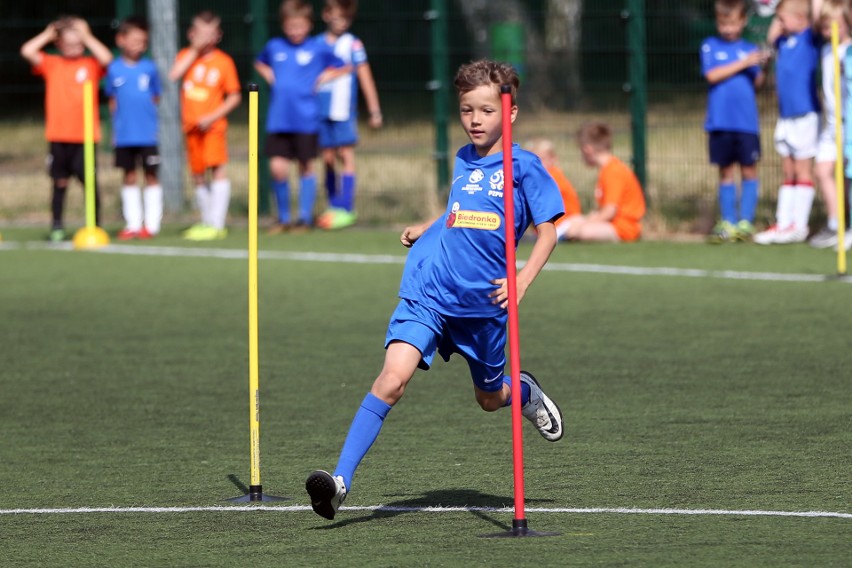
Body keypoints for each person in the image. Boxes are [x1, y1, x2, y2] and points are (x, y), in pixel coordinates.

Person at [304, 60, 565, 521]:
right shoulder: (464, 159)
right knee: (391, 380)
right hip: (430, 290)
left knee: (489, 400)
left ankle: (522, 394)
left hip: (484, 305)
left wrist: (522, 279)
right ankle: (340, 482)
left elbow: (548, 232)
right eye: (467, 110)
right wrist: (426, 228)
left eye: (486, 110)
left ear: (511, 112)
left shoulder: (525, 167)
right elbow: (459, 212)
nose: (476, 120)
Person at [255, 0, 347, 234]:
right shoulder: (275, 46)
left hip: (306, 118)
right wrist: (271, 77)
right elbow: (260, 62)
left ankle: (304, 219)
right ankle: (283, 218)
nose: (295, 31)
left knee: (306, 166)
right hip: (279, 119)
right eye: (290, 26)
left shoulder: (317, 48)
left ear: (308, 24)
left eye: (300, 26)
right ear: (283, 25)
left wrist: (322, 79)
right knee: (277, 168)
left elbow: (344, 66)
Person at [20, 16, 113, 242]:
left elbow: (107, 58)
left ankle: (95, 225)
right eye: (69, 43)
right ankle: (57, 226)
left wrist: (86, 36)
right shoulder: (52, 64)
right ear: (59, 44)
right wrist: (49, 33)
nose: (75, 48)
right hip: (58, 135)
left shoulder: (90, 65)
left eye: (79, 43)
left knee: (89, 182)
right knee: (59, 181)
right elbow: (27, 50)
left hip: (85, 137)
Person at [168, 10, 241, 241]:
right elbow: (174, 74)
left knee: (217, 168)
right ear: (191, 34)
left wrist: (212, 116)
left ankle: (217, 224)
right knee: (198, 174)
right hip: (190, 127)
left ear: (218, 35)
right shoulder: (186, 56)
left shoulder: (224, 62)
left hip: (213, 127)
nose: (206, 38)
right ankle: (206, 220)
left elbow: (234, 96)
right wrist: (195, 48)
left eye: (210, 34)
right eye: (201, 33)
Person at [754, 0, 821, 245]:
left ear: (801, 19)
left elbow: (815, 14)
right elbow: (772, 38)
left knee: (803, 170)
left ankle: (799, 224)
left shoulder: (809, 38)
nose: (778, 25)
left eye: (783, 20)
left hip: (805, 114)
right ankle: (783, 223)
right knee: (788, 170)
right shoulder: (783, 41)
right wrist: (778, 15)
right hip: (786, 116)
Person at [701, 0, 768, 244]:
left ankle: (745, 222)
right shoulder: (710, 46)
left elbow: (758, 83)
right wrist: (744, 63)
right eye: (722, 23)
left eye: (732, 23)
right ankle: (728, 221)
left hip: (746, 123)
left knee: (749, 170)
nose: (727, 29)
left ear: (743, 22)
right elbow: (712, 75)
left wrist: (763, 65)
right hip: (720, 122)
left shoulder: (749, 48)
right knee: (726, 171)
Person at [314, 0, 383, 231]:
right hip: (319, 110)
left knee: (345, 154)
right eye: (336, 17)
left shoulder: (353, 44)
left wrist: (374, 110)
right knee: (327, 158)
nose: (341, 23)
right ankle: (333, 205)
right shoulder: (315, 44)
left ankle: (346, 207)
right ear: (326, 15)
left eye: (345, 19)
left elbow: (365, 76)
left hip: (343, 110)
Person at [106, 17, 163, 240]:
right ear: (121, 40)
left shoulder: (150, 68)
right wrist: (115, 130)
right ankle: (132, 224)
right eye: (135, 40)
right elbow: (112, 101)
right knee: (128, 176)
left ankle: (152, 225)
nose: (139, 45)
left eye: (143, 41)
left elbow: (156, 97)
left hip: (147, 134)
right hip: (124, 135)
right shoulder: (114, 69)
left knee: (151, 175)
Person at [561, 122, 646, 243]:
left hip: (624, 228)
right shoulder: (607, 170)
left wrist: (584, 223)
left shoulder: (613, 171)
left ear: (588, 150)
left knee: (584, 231)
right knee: (574, 220)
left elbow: (609, 212)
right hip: (613, 224)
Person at [809, 0, 851, 248]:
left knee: (847, 176)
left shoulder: (849, 51)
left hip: (848, 123)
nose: (829, 31)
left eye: (834, 26)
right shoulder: (825, 50)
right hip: (831, 123)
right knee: (822, 170)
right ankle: (835, 223)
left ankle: (848, 226)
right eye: (825, 27)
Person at [526, 137, 581, 240]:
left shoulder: (551, 177)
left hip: (563, 224)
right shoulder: (548, 175)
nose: (539, 163)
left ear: (553, 158)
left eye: (542, 158)